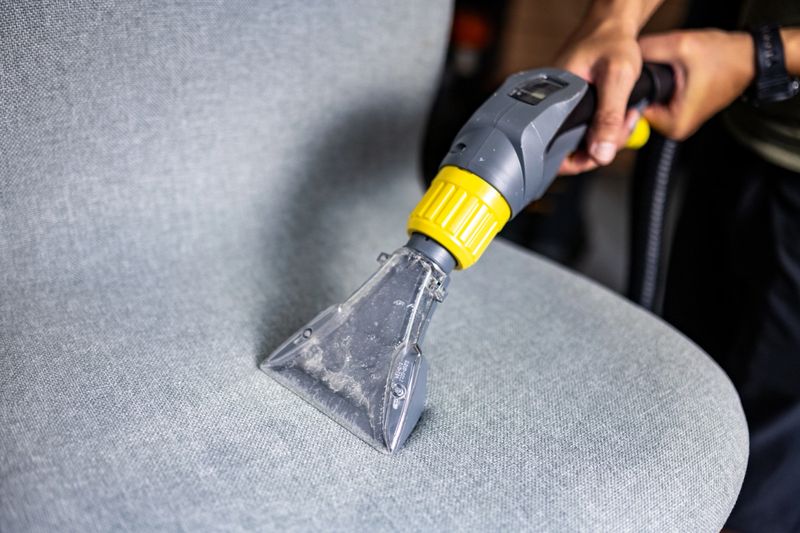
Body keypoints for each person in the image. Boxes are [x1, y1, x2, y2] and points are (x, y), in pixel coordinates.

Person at [553, 1, 800, 530]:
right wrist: (615, 19)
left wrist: (768, 54)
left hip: (756, 82)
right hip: (734, 108)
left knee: (761, 463)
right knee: (690, 388)